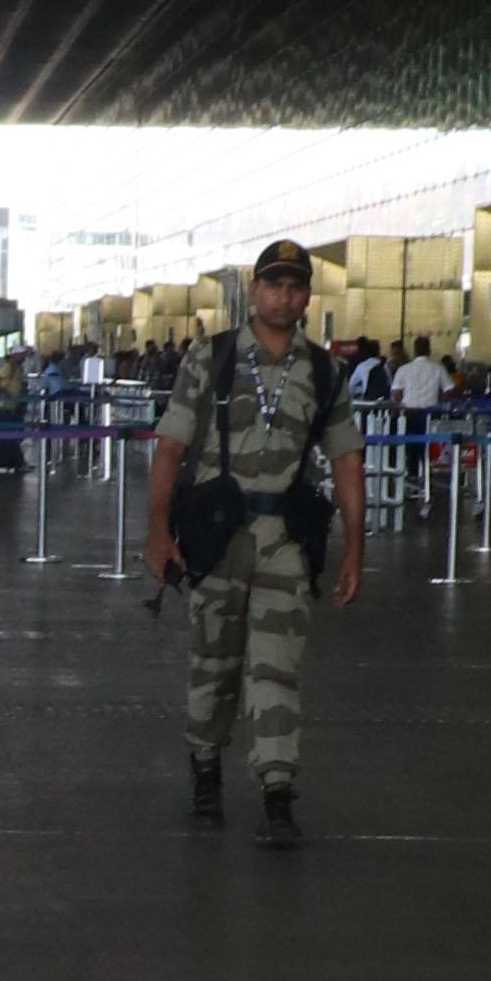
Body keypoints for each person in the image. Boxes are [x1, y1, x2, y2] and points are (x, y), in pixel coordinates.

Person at [140, 239, 364, 843]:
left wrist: (356, 547)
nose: (283, 296)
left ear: (307, 295)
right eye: (273, 285)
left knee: (277, 668)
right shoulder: (209, 358)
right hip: (218, 536)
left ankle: (276, 792)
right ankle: (206, 768)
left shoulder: (323, 371)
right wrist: (158, 533)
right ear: (255, 291)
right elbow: (170, 448)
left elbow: (345, 459)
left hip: (285, 540)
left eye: (295, 286)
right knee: (214, 663)